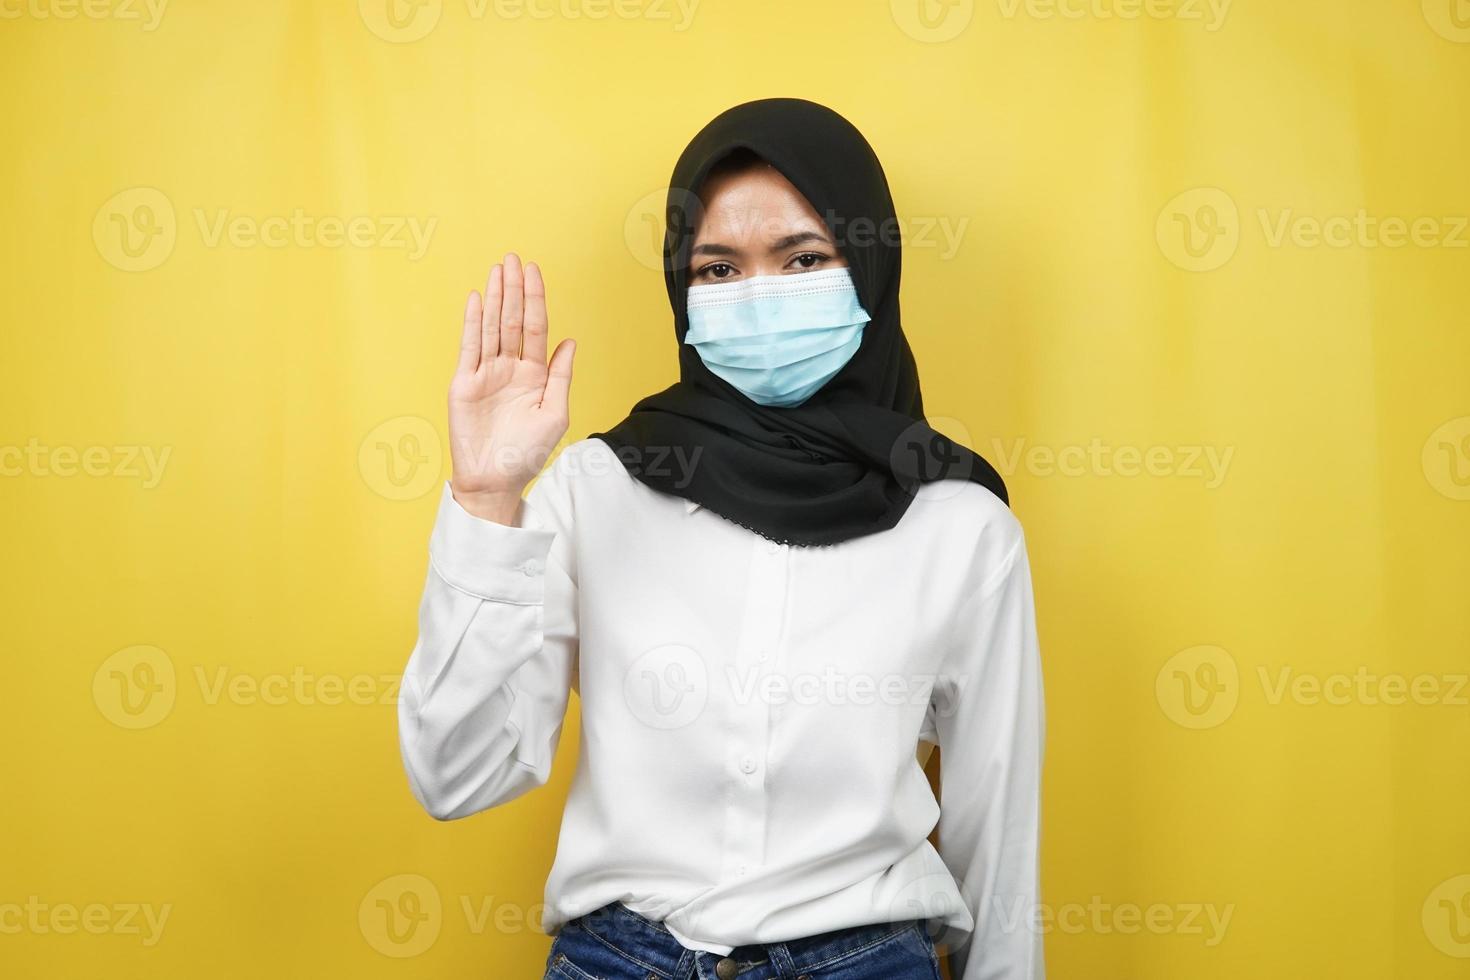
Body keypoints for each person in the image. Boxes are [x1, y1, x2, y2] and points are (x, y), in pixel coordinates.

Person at [397, 98, 1046, 980]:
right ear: (681, 288)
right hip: (619, 960)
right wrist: (486, 498)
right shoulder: (595, 491)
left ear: (872, 268)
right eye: (718, 268)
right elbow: (456, 776)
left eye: (804, 258)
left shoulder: (961, 527)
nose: (762, 296)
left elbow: (995, 826)